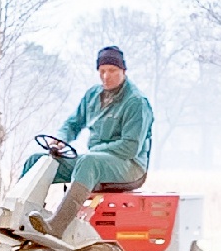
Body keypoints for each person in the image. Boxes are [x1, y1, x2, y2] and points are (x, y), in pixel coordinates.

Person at [32, 45, 154, 236]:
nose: (106, 76)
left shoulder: (136, 102)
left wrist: (93, 153)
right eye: (102, 71)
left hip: (129, 166)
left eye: (112, 71)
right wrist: (61, 139)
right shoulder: (92, 96)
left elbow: (130, 147)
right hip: (94, 162)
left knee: (88, 162)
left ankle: (56, 226)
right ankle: (19, 215)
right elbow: (72, 124)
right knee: (38, 160)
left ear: (123, 70)